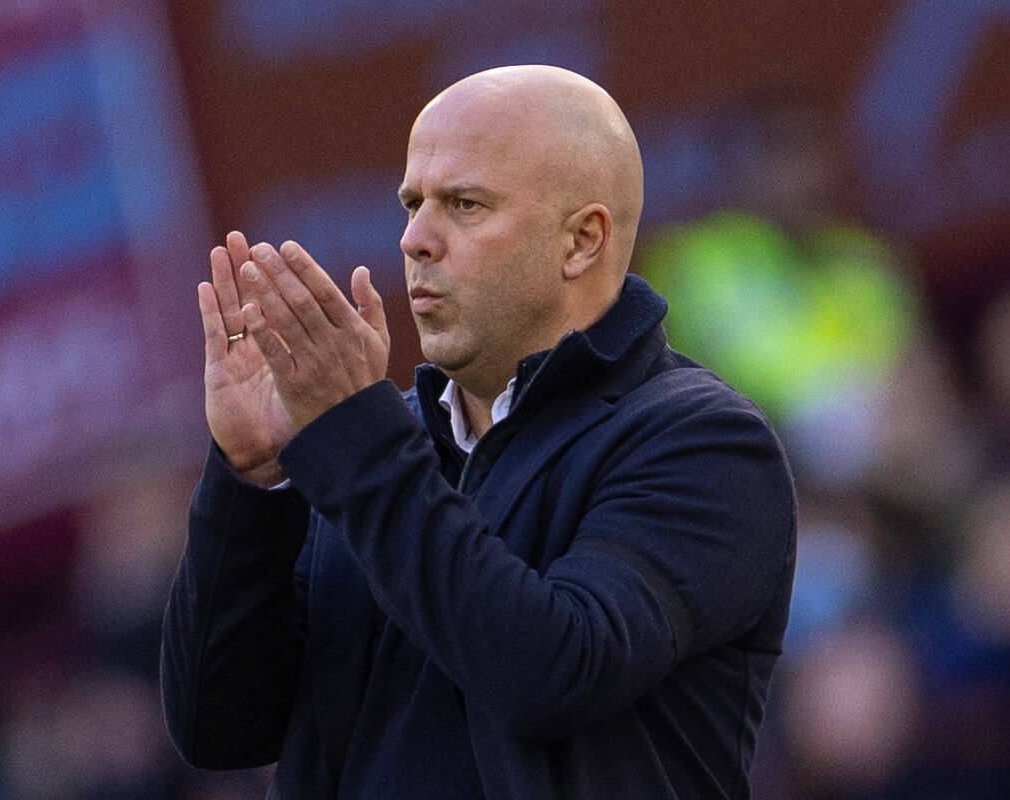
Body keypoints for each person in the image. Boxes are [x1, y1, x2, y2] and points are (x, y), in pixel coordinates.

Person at [161, 65, 796, 799]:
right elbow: (220, 727)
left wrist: (355, 440)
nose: (415, 239)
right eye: (411, 204)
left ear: (582, 241)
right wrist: (253, 480)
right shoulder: (373, 443)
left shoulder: (703, 444)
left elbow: (550, 673)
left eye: (464, 205)